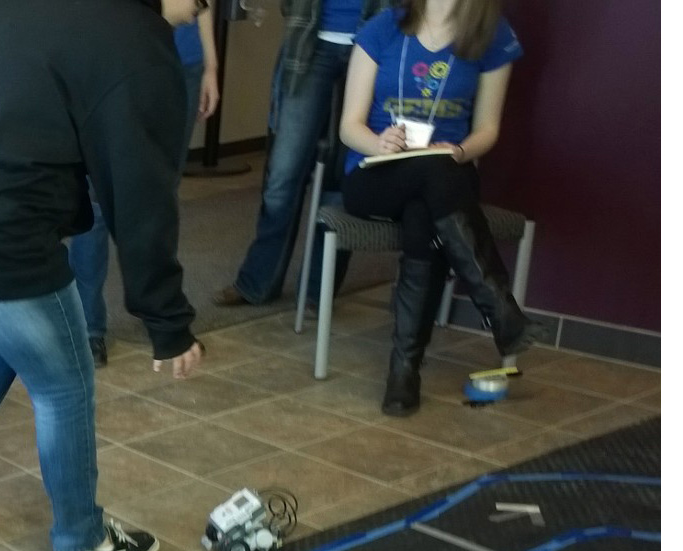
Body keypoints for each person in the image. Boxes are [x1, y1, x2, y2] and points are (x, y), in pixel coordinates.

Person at [0, 0, 205, 551]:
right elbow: (141, 198)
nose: (195, 13)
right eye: (201, 3)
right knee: (65, 388)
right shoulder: (136, 42)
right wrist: (167, 320)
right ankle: (81, 537)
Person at [338, 0, 529, 416]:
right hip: (376, 174)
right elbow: (349, 126)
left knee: (427, 211)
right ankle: (498, 309)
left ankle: (404, 372)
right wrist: (379, 142)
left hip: (448, 174)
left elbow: (487, 130)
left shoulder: (493, 35)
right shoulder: (382, 28)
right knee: (434, 178)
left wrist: (459, 150)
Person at [211, 0, 390, 310]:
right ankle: (257, 282)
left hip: (375, 48)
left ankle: (319, 291)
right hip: (310, 45)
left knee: (343, 175)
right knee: (283, 173)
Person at [68, 2, 221, 367]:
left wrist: (211, 65)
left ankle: (158, 310)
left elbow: (203, 4)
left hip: (185, 62)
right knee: (98, 201)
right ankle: (88, 327)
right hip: (121, 60)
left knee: (159, 195)